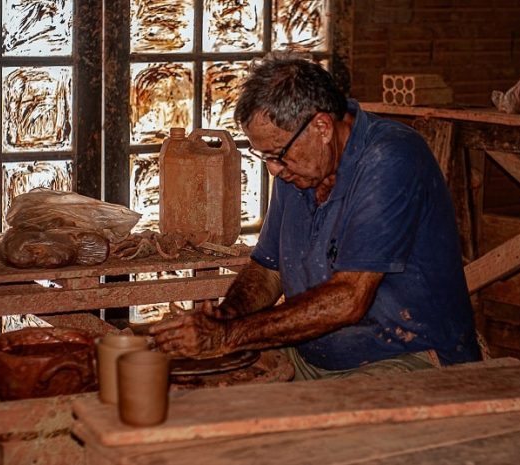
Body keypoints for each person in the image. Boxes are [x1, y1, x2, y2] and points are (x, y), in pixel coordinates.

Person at [150, 53, 481, 379]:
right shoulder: (301, 169)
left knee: (310, 428)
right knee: (203, 390)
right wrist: (223, 317)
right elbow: (268, 271)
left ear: (322, 127)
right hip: (315, 354)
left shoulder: (390, 158)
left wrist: (227, 336)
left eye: (278, 155)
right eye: (265, 156)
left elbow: (350, 298)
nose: (274, 170)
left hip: (408, 356)